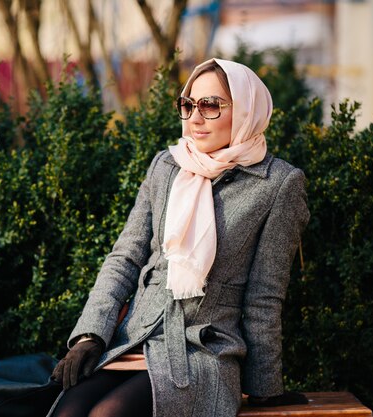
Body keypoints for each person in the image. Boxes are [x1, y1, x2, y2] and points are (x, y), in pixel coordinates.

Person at [47, 58, 311, 417]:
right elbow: (124, 259)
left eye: (211, 106)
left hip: (202, 354)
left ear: (247, 111)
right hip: (133, 342)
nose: (195, 118)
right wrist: (90, 336)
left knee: (107, 415)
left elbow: (265, 295)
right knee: (67, 413)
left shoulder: (278, 184)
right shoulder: (166, 166)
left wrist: (264, 388)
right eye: (188, 105)